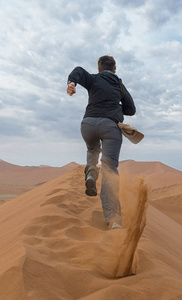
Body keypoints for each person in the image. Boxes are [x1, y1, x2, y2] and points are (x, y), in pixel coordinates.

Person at [67, 55, 136, 229]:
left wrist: (72, 83)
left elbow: (79, 71)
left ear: (98, 68)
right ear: (114, 69)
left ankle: (91, 172)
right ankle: (113, 219)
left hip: (88, 124)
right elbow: (131, 109)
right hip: (110, 126)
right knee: (109, 168)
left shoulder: (93, 78)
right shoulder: (119, 85)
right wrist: (117, 107)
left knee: (92, 149)